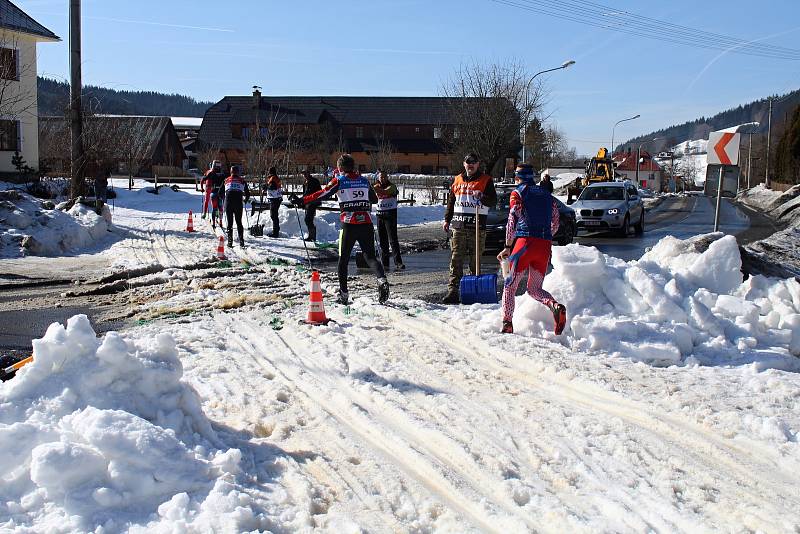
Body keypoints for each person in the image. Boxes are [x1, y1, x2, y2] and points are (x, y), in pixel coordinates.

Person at [292, 154, 389, 305]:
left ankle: (344, 294)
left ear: (341, 168)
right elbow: (374, 199)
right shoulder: (364, 180)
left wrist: (302, 200)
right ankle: (382, 279)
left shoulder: (340, 180)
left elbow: (322, 194)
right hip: (366, 222)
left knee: (343, 259)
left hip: (349, 224)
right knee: (370, 256)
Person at [497, 164, 566, 335]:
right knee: (535, 288)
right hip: (544, 245)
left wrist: (507, 246)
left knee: (510, 285)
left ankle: (507, 323)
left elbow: (513, 218)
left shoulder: (518, 193)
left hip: (524, 243)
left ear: (517, 177)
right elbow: (556, 221)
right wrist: (547, 236)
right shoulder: (546, 194)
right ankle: (554, 306)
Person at [441, 153, 497, 304]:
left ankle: (474, 289)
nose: (470, 165)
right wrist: (447, 219)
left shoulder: (486, 180)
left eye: (474, 162)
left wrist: (482, 197)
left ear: (478, 164)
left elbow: (493, 201)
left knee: (475, 261)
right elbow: (451, 202)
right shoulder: (457, 179)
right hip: (458, 226)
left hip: (477, 226)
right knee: (456, 259)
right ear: (464, 164)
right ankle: (453, 291)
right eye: (468, 162)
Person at [373, 170, 404, 271]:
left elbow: (385, 192)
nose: (383, 179)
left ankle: (398, 262)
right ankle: (385, 262)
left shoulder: (392, 186)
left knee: (393, 240)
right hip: (380, 216)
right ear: (378, 178)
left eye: (385, 177)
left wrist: (374, 188)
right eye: (381, 177)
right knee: (383, 241)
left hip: (390, 215)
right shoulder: (376, 186)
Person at [224, 166, 250, 247]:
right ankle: (241, 241)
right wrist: (245, 200)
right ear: (238, 172)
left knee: (230, 223)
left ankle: (230, 241)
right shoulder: (242, 181)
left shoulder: (226, 180)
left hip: (229, 203)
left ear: (230, 172)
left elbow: (220, 192)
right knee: (239, 222)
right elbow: (247, 193)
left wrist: (222, 197)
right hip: (238, 203)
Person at [300, 170, 321, 241]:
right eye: (303, 174)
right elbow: (305, 193)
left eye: (305, 174)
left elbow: (312, 192)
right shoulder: (306, 182)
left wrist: (302, 200)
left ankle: (312, 236)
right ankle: (311, 236)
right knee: (308, 219)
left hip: (313, 202)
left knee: (308, 219)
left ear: (309, 173)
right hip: (308, 202)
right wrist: (303, 202)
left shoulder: (314, 181)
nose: (304, 175)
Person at [265, 166, 282, 238]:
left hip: (275, 199)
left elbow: (273, 187)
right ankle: (276, 230)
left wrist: (266, 187)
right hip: (277, 198)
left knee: (273, 215)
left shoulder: (273, 178)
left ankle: (275, 232)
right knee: (274, 215)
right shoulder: (275, 178)